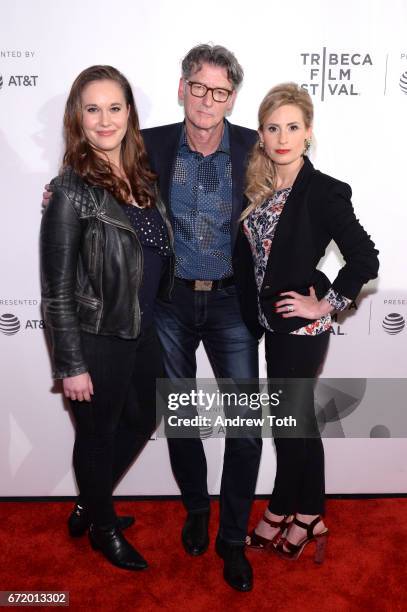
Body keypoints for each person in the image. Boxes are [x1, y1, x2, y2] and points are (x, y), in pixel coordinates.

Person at [236, 82, 379, 562]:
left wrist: (326, 304)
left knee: (290, 423)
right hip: (271, 325)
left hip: (302, 328)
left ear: (308, 133)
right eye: (273, 127)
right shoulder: (257, 185)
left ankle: (289, 511)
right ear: (261, 134)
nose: (282, 137)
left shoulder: (323, 191)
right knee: (293, 424)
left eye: (292, 127)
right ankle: (305, 511)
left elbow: (365, 257)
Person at [40, 65, 173, 571]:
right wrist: (70, 364)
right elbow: (55, 290)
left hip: (143, 328)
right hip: (97, 337)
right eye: (92, 109)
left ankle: (88, 503)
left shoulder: (142, 174)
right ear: (78, 117)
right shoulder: (70, 190)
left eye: (114, 107)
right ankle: (103, 526)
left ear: (129, 113)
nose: (104, 120)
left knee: (142, 418)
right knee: (96, 438)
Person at [141, 44, 262, 591]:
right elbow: (99, 171)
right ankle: (196, 507)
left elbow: (303, 191)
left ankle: (232, 538)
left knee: (246, 428)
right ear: (182, 87)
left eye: (219, 91)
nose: (207, 100)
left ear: (231, 97)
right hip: (170, 300)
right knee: (183, 417)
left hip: (232, 302)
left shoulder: (254, 147)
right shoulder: (151, 144)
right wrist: (64, 189)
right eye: (198, 86)